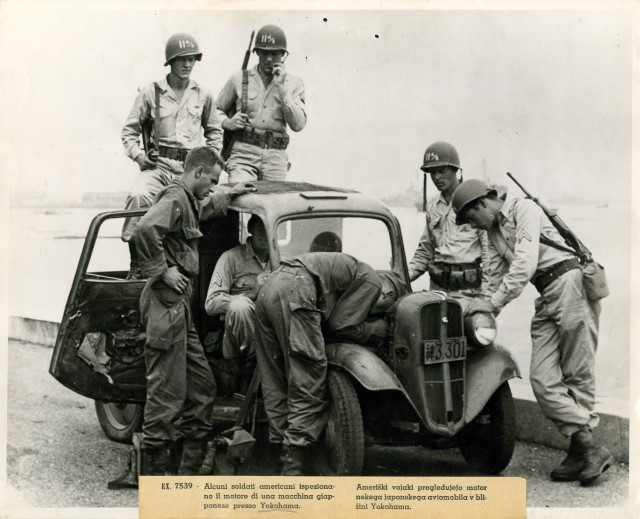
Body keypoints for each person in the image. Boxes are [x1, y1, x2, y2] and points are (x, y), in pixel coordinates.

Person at [452, 179, 614, 486]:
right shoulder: (493, 232)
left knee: (577, 373)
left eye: (472, 218)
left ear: (481, 204)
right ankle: (588, 445)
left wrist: (494, 303)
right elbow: (494, 277)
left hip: (571, 286)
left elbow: (524, 265)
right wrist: (480, 314)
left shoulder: (524, 209)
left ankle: (581, 450)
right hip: (547, 295)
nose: (473, 226)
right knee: (541, 379)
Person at [134, 146, 255, 475]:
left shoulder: (188, 200)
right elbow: (144, 230)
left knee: (202, 388)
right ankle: (155, 476)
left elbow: (204, 206)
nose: (212, 186)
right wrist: (163, 271)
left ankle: (187, 474)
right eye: (212, 180)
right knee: (166, 392)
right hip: (165, 303)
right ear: (198, 172)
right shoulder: (175, 197)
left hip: (179, 307)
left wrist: (230, 191)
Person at [254, 252, 406, 476]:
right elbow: (341, 325)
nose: (375, 311)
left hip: (270, 288)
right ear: (389, 293)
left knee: (275, 377)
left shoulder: (351, 272)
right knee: (310, 374)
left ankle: (280, 448)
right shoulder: (373, 281)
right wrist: (377, 329)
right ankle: (293, 462)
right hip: (297, 288)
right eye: (383, 307)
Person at [122, 33, 224, 277]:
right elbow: (129, 131)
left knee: (212, 205)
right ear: (170, 62)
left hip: (189, 172)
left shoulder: (203, 94)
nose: (187, 64)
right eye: (182, 59)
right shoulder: (151, 93)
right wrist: (140, 157)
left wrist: (209, 161)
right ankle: (137, 263)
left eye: (192, 59)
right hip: (159, 168)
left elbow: (215, 131)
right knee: (138, 196)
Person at [216, 24, 307, 182]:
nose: (269, 59)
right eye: (264, 53)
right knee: (241, 192)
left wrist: (282, 88)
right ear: (257, 52)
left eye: (274, 54)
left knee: (275, 196)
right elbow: (215, 110)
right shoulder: (239, 78)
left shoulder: (294, 84)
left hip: (276, 157)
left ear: (282, 55)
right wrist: (227, 122)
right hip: (243, 154)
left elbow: (298, 125)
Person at [408, 141, 488, 310]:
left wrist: (486, 298)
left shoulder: (475, 202)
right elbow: (425, 251)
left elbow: (490, 255)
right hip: (437, 292)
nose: (437, 177)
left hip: (468, 294)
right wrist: (402, 277)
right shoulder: (433, 207)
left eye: (442, 171)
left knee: (476, 327)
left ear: (455, 170)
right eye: (432, 173)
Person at [204, 215, 269, 360]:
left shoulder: (280, 260)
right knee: (240, 306)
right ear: (251, 229)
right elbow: (211, 304)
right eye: (260, 228)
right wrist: (251, 294)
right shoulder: (231, 258)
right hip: (237, 339)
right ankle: (254, 361)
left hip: (269, 331)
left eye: (268, 228)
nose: (265, 234)